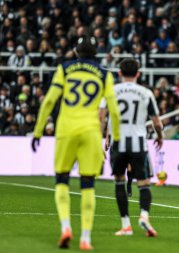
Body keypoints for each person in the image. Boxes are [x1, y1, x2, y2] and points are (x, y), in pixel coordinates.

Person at [31, 37, 121, 250]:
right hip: (90, 132)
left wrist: (37, 131)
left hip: (66, 130)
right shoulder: (105, 74)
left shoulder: (64, 69)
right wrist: (115, 137)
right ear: (96, 52)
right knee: (88, 184)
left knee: (61, 180)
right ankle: (86, 238)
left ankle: (65, 228)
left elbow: (49, 101)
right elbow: (114, 111)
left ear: (76, 51)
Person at [102, 58, 163, 237]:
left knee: (119, 182)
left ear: (119, 73)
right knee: (144, 184)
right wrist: (160, 137)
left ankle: (126, 225)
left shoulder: (111, 92)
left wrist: (104, 137)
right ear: (138, 73)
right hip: (138, 143)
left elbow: (103, 117)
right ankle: (144, 216)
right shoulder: (146, 93)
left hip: (118, 143)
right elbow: (157, 122)